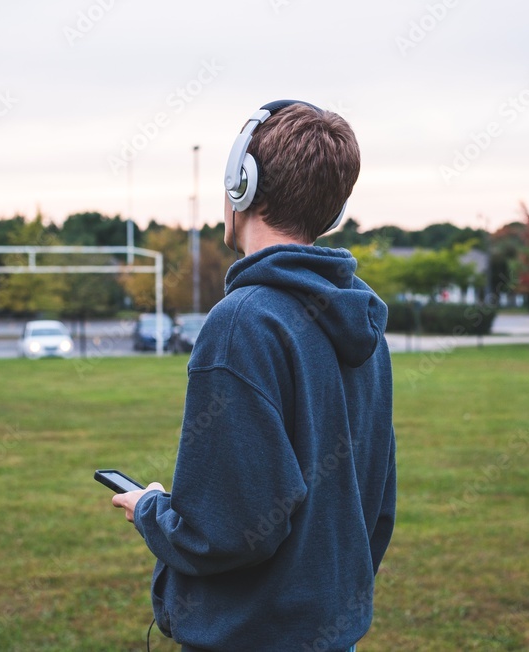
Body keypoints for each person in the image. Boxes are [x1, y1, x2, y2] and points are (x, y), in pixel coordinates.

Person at [111, 100, 396, 651]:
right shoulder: (364, 321)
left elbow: (229, 529)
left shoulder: (244, 320)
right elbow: (374, 508)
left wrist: (150, 509)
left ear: (241, 184)